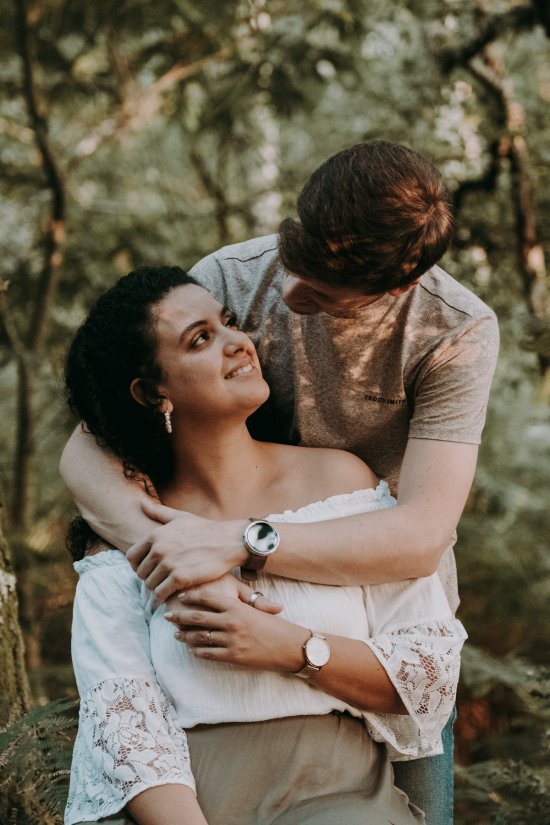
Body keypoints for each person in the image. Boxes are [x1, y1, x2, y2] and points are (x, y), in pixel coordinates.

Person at [60, 140, 499, 823]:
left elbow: (419, 534)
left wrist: (240, 548)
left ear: (397, 289)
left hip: (374, 608)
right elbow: (91, 440)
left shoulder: (454, 333)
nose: (286, 298)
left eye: (320, 295)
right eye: (292, 264)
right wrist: (175, 563)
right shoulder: (229, 278)